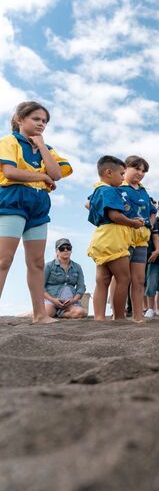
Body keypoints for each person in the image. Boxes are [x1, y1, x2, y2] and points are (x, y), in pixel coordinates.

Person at [0, 101, 72, 324]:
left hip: (39, 206)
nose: (41, 124)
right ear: (20, 119)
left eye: (44, 121)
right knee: (4, 259)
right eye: (36, 119)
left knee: (37, 262)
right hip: (13, 201)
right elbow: (10, 172)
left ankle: (40, 314)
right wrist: (41, 176)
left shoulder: (47, 148)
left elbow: (57, 174)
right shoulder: (9, 141)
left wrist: (41, 146)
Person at [87, 156, 144, 321]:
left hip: (101, 236)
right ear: (108, 173)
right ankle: (119, 317)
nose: (122, 177)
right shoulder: (109, 190)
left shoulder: (97, 191)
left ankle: (99, 317)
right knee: (123, 278)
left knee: (102, 280)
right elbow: (114, 215)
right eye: (121, 174)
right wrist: (132, 223)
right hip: (113, 239)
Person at [118, 156, 156, 322]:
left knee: (139, 279)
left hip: (141, 239)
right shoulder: (116, 185)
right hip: (122, 236)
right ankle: (117, 314)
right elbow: (90, 203)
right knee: (120, 278)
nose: (140, 173)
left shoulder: (143, 191)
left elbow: (153, 211)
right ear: (125, 168)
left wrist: (149, 223)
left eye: (143, 171)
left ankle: (138, 315)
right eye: (137, 169)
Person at [43, 238, 86, 319]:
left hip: (70, 303)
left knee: (80, 313)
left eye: (68, 248)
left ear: (71, 250)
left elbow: (81, 287)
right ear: (57, 251)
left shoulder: (77, 267)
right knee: (47, 313)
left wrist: (73, 300)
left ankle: (59, 314)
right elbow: (40, 287)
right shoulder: (49, 266)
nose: (66, 250)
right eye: (62, 248)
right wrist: (53, 300)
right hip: (51, 301)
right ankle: (53, 312)